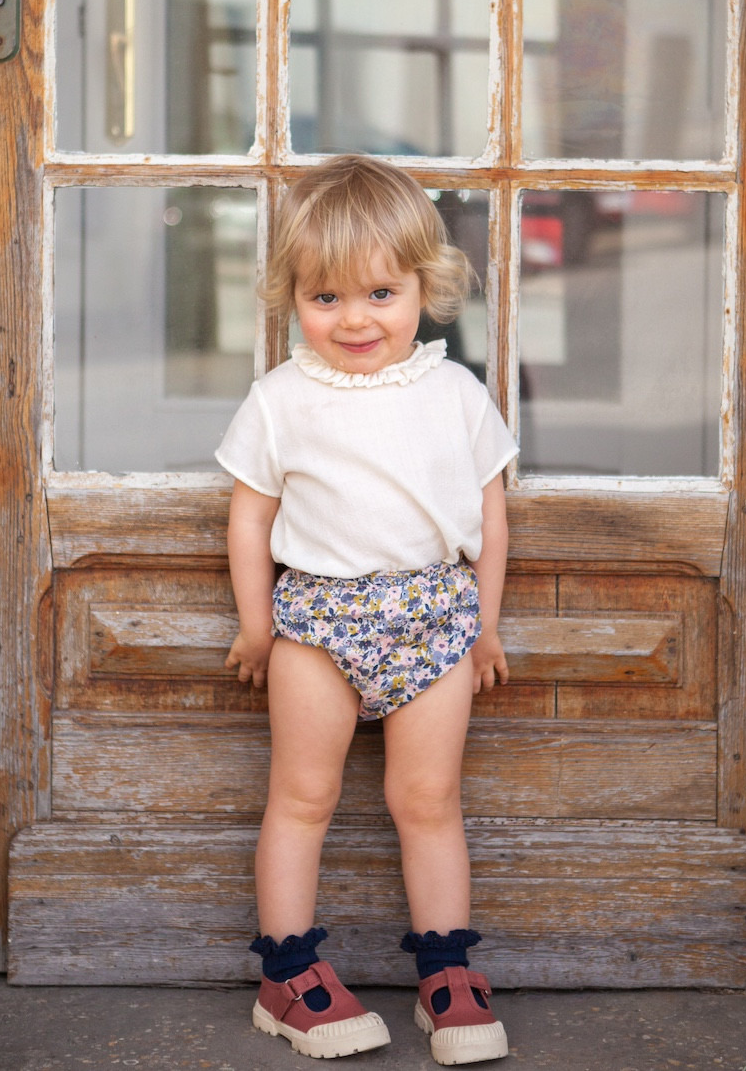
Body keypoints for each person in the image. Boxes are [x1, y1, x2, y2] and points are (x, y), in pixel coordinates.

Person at [216, 154, 516, 1065]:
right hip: (317, 624)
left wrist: (485, 626)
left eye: (381, 294)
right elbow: (250, 518)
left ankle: (447, 973)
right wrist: (257, 625)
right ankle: (287, 976)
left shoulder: (456, 394)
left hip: (434, 619)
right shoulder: (280, 400)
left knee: (427, 801)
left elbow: (490, 518)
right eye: (326, 298)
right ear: (293, 298)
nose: (354, 319)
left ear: (425, 287)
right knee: (301, 798)